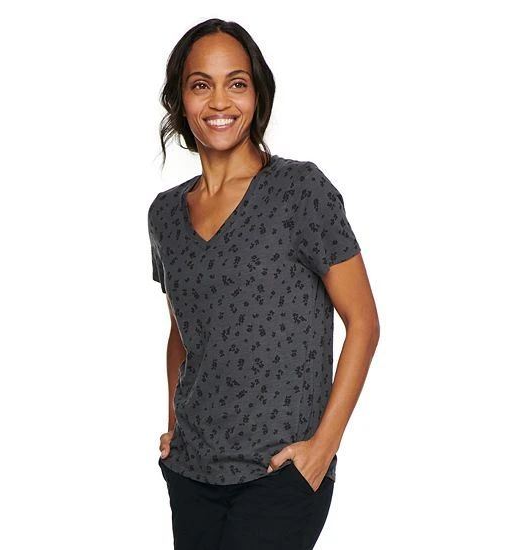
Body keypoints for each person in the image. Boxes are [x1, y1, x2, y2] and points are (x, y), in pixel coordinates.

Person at [148, 18, 380, 550]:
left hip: (281, 471)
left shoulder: (300, 190)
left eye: (237, 83)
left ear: (257, 94)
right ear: (180, 98)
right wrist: (173, 426)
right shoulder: (164, 214)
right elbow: (182, 332)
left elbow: (364, 323)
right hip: (192, 470)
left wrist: (322, 449)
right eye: (201, 84)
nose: (219, 101)